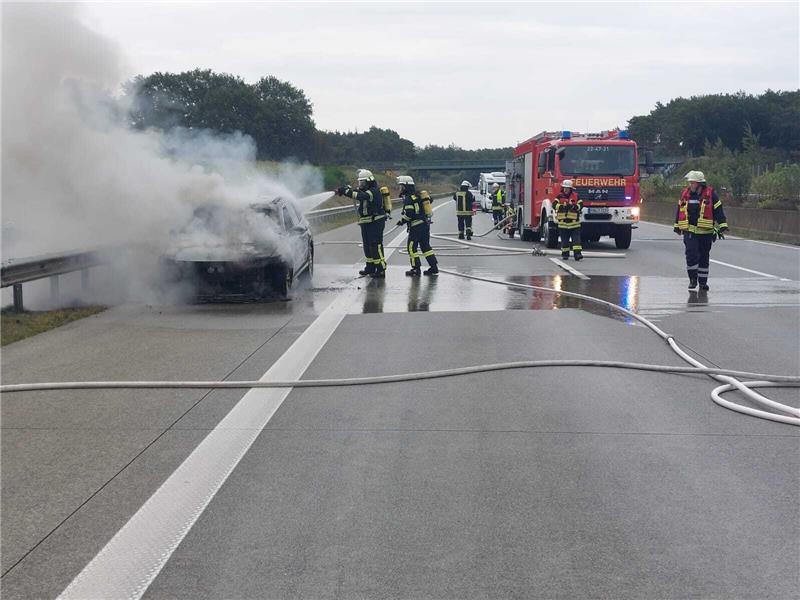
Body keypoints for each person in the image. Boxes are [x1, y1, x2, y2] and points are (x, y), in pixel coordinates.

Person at [674, 170, 728, 291]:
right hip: (690, 232)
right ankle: (693, 280)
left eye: (692, 183)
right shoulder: (685, 194)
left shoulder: (711, 194)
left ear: (699, 184)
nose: (690, 185)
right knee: (691, 256)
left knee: (704, 257)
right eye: (690, 183)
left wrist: (723, 225)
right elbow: (679, 210)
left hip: (706, 233)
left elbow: (718, 210)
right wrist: (676, 226)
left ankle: (703, 282)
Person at [337, 169, 387, 278]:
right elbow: (357, 193)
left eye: (363, 182)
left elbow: (360, 196)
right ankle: (370, 267)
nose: (361, 185)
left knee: (375, 246)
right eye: (360, 182)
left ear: (369, 181)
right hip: (367, 222)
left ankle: (381, 269)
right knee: (367, 246)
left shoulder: (373, 191)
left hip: (376, 222)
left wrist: (346, 191)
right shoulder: (365, 191)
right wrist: (346, 190)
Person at [397, 175, 438, 276]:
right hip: (424, 225)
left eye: (401, 186)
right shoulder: (418, 195)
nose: (400, 188)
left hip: (415, 227)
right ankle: (434, 267)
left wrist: (402, 221)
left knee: (411, 248)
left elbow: (409, 213)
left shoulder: (408, 198)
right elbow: (429, 200)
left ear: (406, 187)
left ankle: (416, 269)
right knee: (426, 247)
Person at [553, 179, 583, 260]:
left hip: (574, 224)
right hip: (563, 224)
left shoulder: (576, 196)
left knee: (576, 241)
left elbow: (581, 204)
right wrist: (561, 206)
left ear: (571, 189)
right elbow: (554, 205)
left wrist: (575, 207)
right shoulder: (559, 196)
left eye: (567, 188)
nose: (566, 189)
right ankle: (565, 254)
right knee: (565, 241)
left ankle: (577, 254)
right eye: (564, 188)